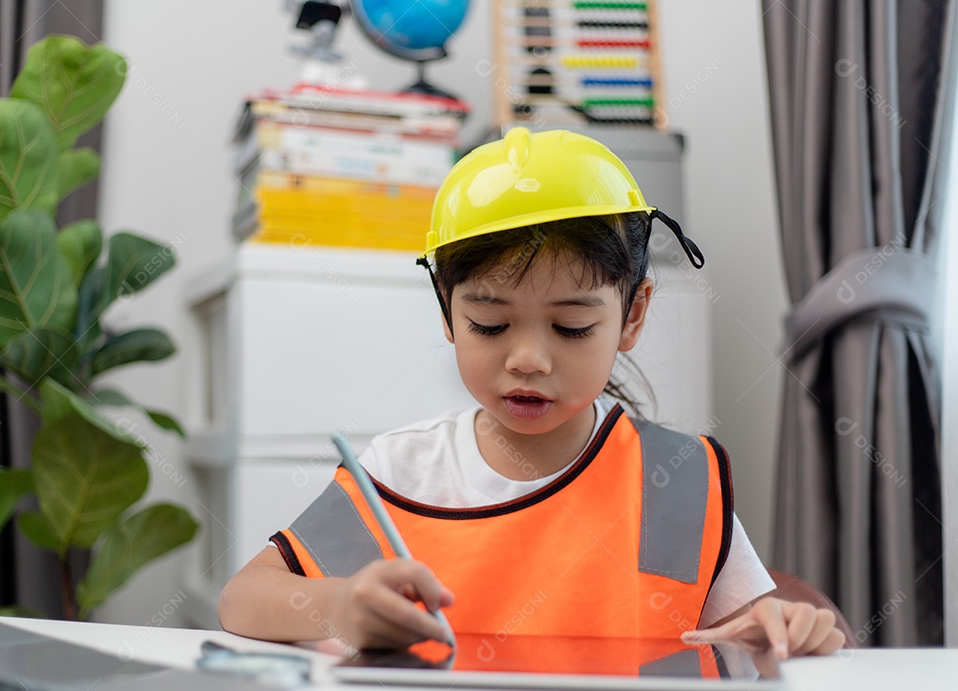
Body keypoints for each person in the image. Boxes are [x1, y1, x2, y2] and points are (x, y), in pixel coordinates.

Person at [218, 128, 846, 662]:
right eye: (489, 325)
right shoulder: (401, 471)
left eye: (572, 327)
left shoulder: (676, 480)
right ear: (446, 311)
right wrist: (339, 607)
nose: (527, 359)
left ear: (632, 315)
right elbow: (243, 599)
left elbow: (761, 633)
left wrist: (791, 631)